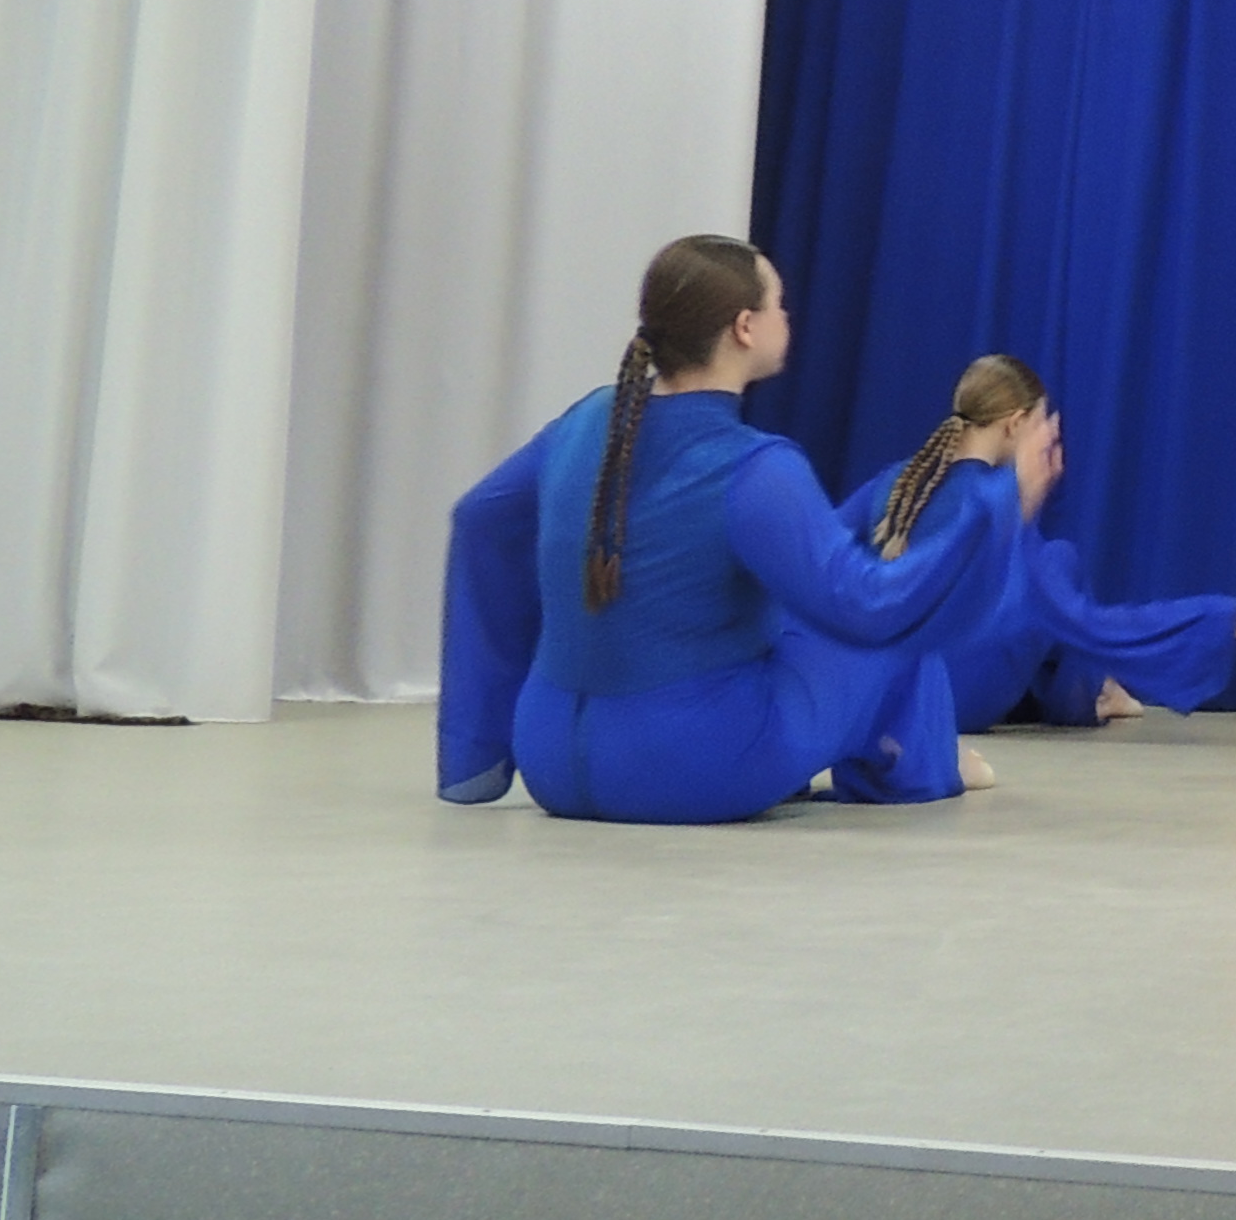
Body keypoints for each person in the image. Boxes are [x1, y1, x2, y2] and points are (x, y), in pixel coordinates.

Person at [440, 235, 1051, 825]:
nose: (787, 316)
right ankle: (917, 766)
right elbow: (871, 607)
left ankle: (481, 753)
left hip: (549, 760)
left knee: (783, 618)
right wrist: (1002, 499)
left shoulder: (582, 423)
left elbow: (479, 519)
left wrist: (481, 736)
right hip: (687, 770)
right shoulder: (755, 466)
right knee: (893, 635)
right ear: (745, 327)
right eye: (778, 303)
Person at [839, 354, 1236, 734]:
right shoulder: (998, 510)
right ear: (1015, 425)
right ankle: (1091, 693)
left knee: (1031, 588)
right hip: (958, 700)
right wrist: (1219, 615)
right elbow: (1093, 625)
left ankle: (1091, 690)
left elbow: (825, 560)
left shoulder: (895, 485)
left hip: (890, 693)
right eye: (1040, 426)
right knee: (1059, 564)